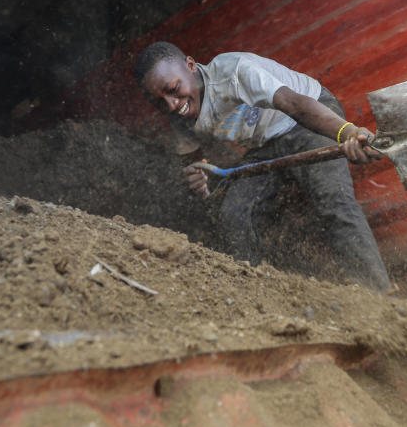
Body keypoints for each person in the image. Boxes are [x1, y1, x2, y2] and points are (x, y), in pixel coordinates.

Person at [134, 41, 392, 291]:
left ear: (190, 65)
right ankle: (254, 297)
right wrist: (196, 177)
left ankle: (379, 296)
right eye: (159, 101)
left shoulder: (236, 71)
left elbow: (294, 105)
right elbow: (191, 157)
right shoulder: (179, 114)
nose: (172, 105)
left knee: (334, 200)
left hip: (307, 119)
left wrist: (346, 133)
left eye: (173, 89)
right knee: (234, 215)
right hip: (264, 146)